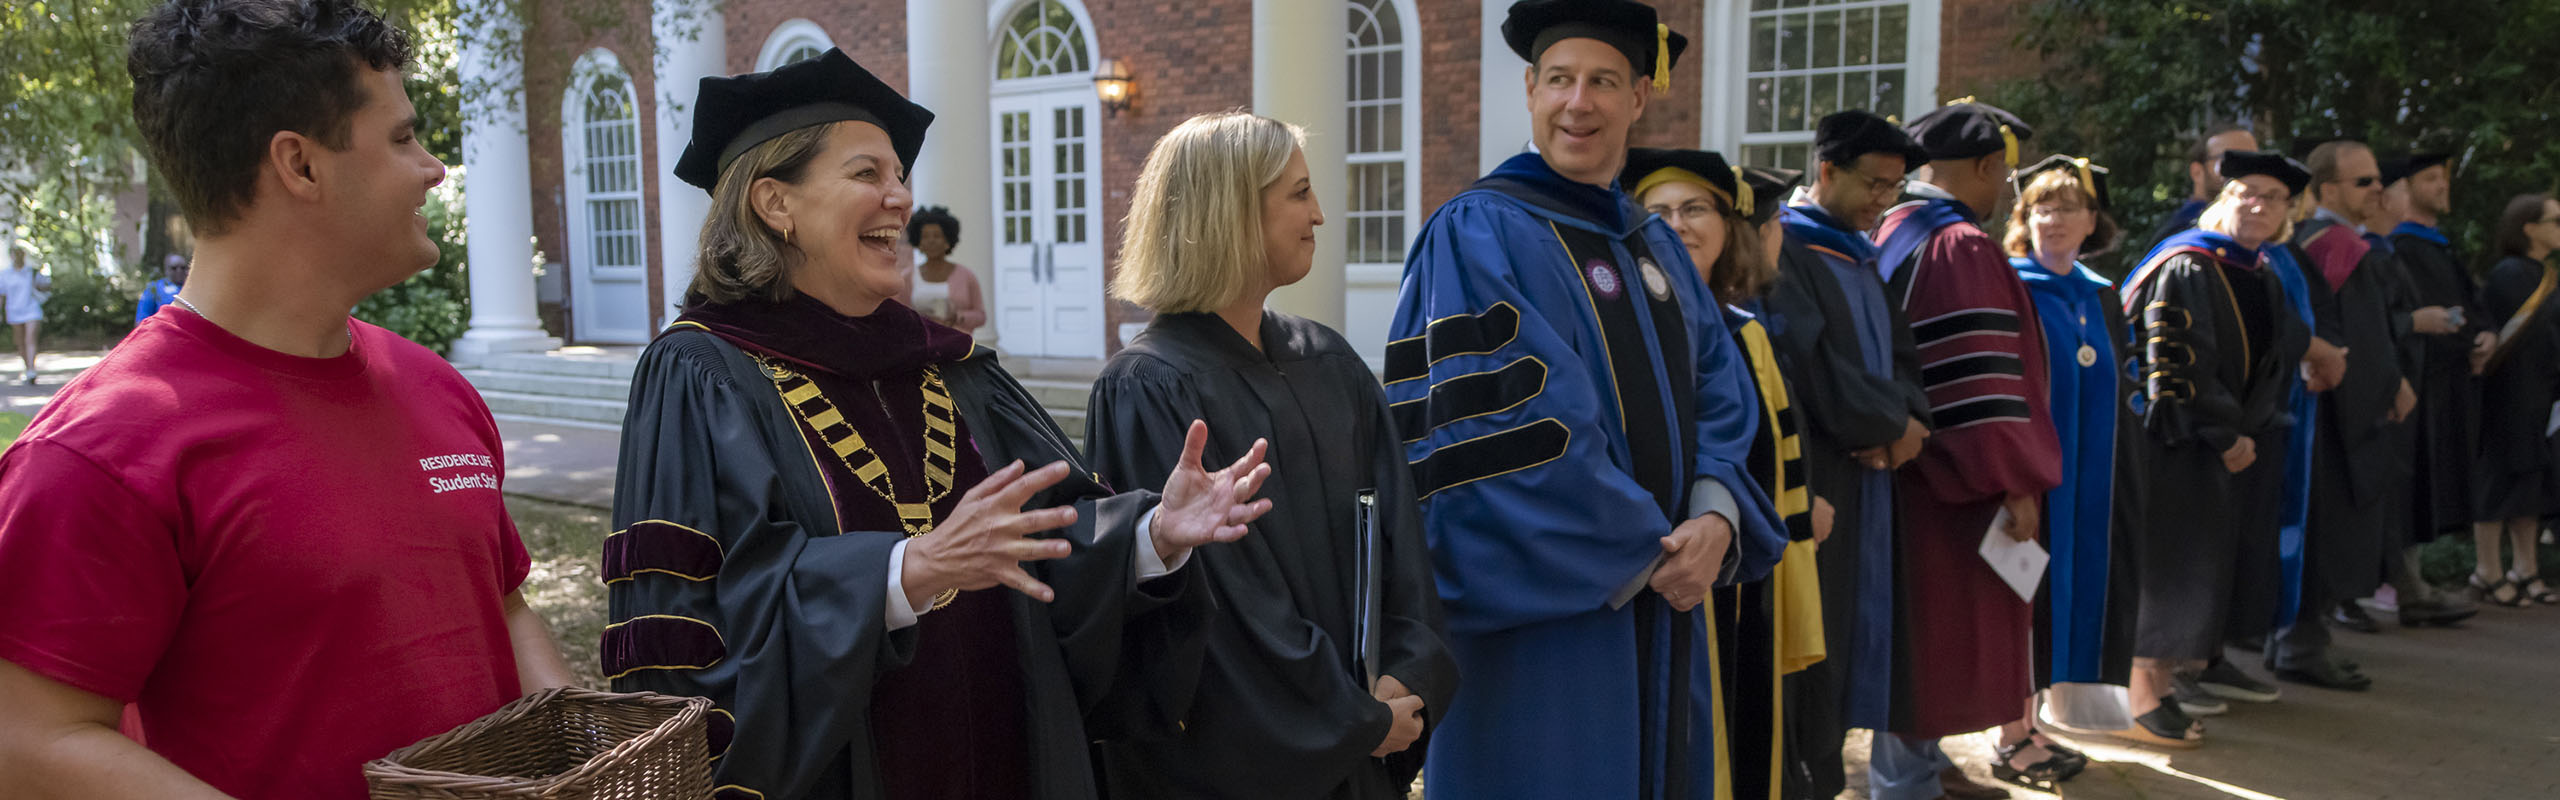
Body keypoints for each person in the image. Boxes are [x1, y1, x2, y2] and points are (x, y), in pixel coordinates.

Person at [603, 50, 1280, 800]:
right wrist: (904, 574)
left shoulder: (953, 371)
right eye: (868, 175)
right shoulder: (703, 375)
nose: (901, 200)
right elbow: (692, 633)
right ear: (775, 202)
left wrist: (1151, 536)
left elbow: (1049, 539)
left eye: (901, 177)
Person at [0, 2, 579, 797]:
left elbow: (504, 609)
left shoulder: (435, 386)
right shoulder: (98, 452)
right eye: (405, 138)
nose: (434, 167)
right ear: (300, 166)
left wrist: (580, 756)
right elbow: (31, 739)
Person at [1386, 2, 1785, 796]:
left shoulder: (1653, 241)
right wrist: (1651, 552)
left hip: (1668, 597)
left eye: (1603, 81)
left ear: (1639, 96)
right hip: (1548, 623)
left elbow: (1722, 390)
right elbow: (1502, 430)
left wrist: (1714, 515)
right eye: (1561, 79)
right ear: (1531, 90)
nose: (1580, 103)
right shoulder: (1479, 231)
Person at [1082, 111, 1460, 800]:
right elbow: (1225, 608)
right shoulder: (1148, 387)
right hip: (1240, 767)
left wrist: (1406, 674)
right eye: (1297, 193)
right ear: (1228, 211)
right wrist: (1352, 716)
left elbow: (1402, 539)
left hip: (1360, 736)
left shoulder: (1329, 360)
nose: (1318, 213)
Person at [1868, 98, 2064, 800]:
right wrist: (2014, 480)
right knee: (1934, 639)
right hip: (1951, 488)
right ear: (1983, 166)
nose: (2005, 193)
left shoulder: (1889, 229)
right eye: (2005, 178)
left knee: (1916, 635)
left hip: (1904, 476)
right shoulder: (1958, 245)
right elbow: (1978, 380)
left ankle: (1930, 770)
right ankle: (1911, 782)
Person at [1625, 147, 1830, 800]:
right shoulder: (1620, 334)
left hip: (1742, 581)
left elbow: (1782, 471)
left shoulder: (1748, 337)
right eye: (1657, 210)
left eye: (1693, 209)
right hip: (1653, 578)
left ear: (1727, 228)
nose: (1675, 223)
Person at [2115, 150, 2314, 748]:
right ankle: (2138, 696)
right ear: (2221, 199)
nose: (2257, 204)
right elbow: (2175, 364)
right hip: (2176, 441)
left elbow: (2274, 364)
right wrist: (2224, 433)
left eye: (2272, 197)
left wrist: (2249, 430)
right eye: (2246, 192)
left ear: (2287, 212)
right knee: (2170, 565)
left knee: (2200, 567)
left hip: (2229, 445)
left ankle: (2164, 685)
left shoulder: (2261, 270)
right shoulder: (2186, 265)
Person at [1764, 108, 1932, 800]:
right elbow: (1810, 367)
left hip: (1873, 482)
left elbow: (1903, 353)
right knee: (1817, 649)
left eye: (1895, 188)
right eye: (1873, 184)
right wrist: (1890, 424)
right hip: (1827, 476)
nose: (1882, 201)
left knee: (1855, 636)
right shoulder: (1789, 251)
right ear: (1826, 171)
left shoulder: (1863, 253)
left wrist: (1913, 421)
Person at [1999, 155, 2136, 790]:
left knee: (2063, 595)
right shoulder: (2011, 286)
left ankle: (2031, 722)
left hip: (2091, 484)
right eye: (2040, 207)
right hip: (2034, 479)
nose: (2053, 219)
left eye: (2068, 207)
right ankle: (2008, 730)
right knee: (2022, 596)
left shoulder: (2103, 297)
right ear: (2023, 219)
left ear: (2092, 221)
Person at [2388, 154, 2506, 618]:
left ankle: (2412, 583)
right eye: (2431, 178)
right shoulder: (2397, 247)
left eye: (2445, 178)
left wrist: (2485, 336)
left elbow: (2470, 304)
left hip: (2448, 381)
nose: (2443, 187)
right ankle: (2405, 586)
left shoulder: (2438, 245)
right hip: (2419, 382)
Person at [2466, 193, 2560, 607]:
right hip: (2508, 394)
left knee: (2530, 481)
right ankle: (2486, 570)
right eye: (2554, 220)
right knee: (2497, 479)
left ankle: (2527, 568)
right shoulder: (2508, 274)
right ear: (2528, 227)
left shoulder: (2548, 273)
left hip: (2541, 392)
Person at [2148, 124, 2259, 245]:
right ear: (2197, 172)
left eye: (2254, 160)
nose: (2246, 168)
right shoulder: (2182, 235)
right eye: (2230, 159)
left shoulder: (2264, 225)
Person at [901, 205, 985, 331]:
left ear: (947, 241)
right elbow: (898, 316)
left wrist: (959, 317)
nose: (931, 241)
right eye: (925, 237)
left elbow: (980, 316)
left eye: (937, 236)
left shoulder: (966, 276)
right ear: (918, 243)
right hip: (921, 345)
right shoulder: (907, 277)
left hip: (958, 344)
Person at [0, 242, 50, 384]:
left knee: (30, 339)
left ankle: (32, 369)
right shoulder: (5, 275)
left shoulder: (31, 272)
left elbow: (45, 287)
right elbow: (1, 295)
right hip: (14, 310)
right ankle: (27, 367)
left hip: (32, 309)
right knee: (20, 342)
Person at [137, 253, 188, 323]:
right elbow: (141, 320)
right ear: (166, 270)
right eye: (174, 268)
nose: (179, 271)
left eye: (183, 268)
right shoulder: (154, 288)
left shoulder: (192, 288)